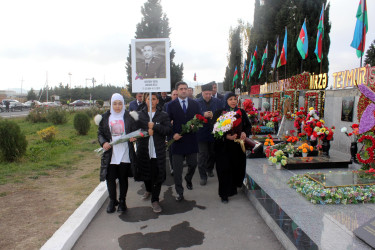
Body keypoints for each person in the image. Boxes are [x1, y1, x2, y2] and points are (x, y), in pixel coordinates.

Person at [97, 93, 137, 213]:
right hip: (111, 153)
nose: (117, 106)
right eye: (115, 103)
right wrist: (103, 142)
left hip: (124, 152)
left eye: (120, 103)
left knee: (123, 178)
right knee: (110, 178)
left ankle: (122, 201)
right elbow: (100, 133)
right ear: (111, 104)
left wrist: (134, 137)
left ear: (123, 104)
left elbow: (135, 131)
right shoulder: (105, 117)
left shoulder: (129, 116)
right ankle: (112, 201)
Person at [134, 92, 172, 213]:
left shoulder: (163, 115)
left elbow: (167, 130)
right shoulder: (140, 115)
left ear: (157, 101)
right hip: (144, 150)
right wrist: (146, 132)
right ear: (145, 100)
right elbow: (135, 131)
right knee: (145, 172)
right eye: (149, 99)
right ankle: (148, 190)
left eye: (154, 99)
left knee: (157, 175)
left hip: (158, 150)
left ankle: (155, 200)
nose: (151, 101)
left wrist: (155, 127)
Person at [212, 92, 251, 204]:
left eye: (235, 99)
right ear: (226, 101)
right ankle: (224, 194)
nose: (233, 101)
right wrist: (226, 136)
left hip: (238, 146)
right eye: (230, 99)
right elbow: (214, 130)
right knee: (224, 170)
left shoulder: (241, 112)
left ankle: (233, 188)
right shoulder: (220, 113)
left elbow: (248, 126)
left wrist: (244, 132)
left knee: (236, 168)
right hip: (223, 147)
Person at [167, 81, 201, 201]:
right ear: (177, 90)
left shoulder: (194, 104)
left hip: (191, 140)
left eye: (185, 88)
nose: (183, 91)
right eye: (181, 89)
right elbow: (167, 123)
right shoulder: (170, 105)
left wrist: (195, 125)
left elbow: (200, 118)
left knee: (193, 164)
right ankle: (179, 192)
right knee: (177, 170)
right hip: (177, 142)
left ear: (187, 90)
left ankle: (188, 178)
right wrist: (172, 135)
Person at [196, 83, 223, 186]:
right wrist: (203, 114)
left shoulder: (217, 102)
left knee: (212, 153)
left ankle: (210, 169)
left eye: (209, 94)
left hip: (214, 132)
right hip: (201, 133)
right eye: (206, 94)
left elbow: (221, 114)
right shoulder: (196, 102)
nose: (208, 96)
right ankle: (203, 176)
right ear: (202, 93)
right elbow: (193, 114)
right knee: (202, 155)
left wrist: (214, 115)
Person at [164, 89, 179, 176]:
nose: (176, 96)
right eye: (174, 95)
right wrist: (169, 122)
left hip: (180, 131)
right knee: (171, 150)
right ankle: (172, 168)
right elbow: (163, 117)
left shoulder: (181, 104)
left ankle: (178, 166)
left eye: (177, 94)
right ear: (171, 96)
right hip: (170, 131)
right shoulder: (167, 105)